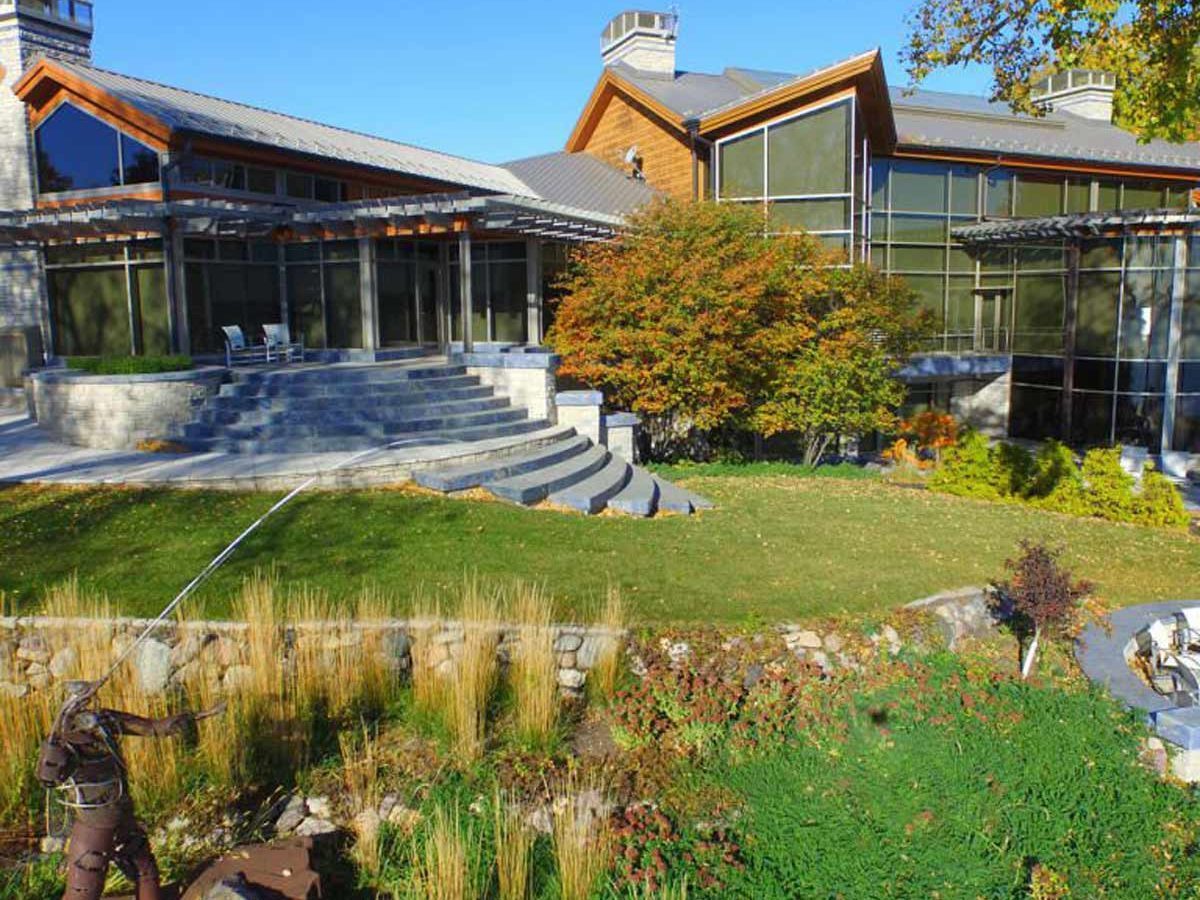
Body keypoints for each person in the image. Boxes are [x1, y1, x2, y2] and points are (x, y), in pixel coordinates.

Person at [36, 681, 225, 900]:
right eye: (80, 702)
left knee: (146, 872)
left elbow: (152, 727)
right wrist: (53, 750)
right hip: (94, 825)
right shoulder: (65, 742)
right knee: (84, 891)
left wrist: (186, 720)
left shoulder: (105, 721)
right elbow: (47, 778)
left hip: (123, 816)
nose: (87, 704)